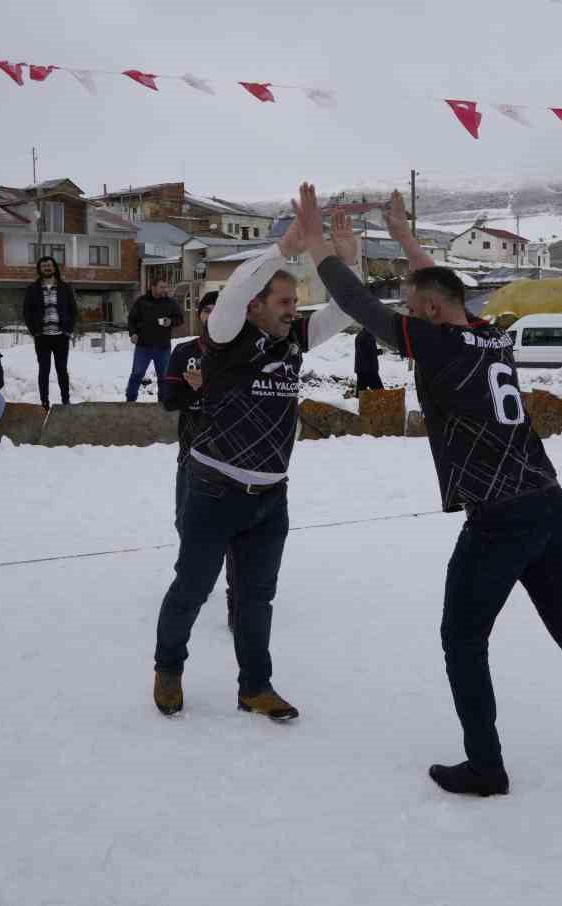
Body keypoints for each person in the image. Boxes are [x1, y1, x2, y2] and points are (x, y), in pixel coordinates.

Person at [306, 188, 562, 806]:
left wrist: (319, 249)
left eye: (414, 308)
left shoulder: (434, 341)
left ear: (431, 311)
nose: (407, 316)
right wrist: (405, 236)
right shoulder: (491, 336)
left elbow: (357, 303)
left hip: (499, 519)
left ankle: (486, 766)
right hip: (550, 504)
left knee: (461, 638)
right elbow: (439, 287)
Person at [152, 187, 357, 723]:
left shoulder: (292, 342)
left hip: (270, 498)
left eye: (295, 303)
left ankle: (255, 687)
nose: (294, 311)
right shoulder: (226, 337)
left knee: (256, 601)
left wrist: (342, 260)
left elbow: (345, 308)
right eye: (285, 303)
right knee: (192, 589)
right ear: (257, 307)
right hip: (213, 491)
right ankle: (169, 667)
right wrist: (280, 250)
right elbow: (235, 288)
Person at [158, 290, 240, 632]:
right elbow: (168, 400)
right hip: (191, 453)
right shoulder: (185, 352)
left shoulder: (241, 352)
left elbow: (242, 401)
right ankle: (193, 577)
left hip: (234, 456)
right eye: (206, 309)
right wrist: (198, 390)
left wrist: (210, 385)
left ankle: (237, 591)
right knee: (184, 521)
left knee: (236, 530)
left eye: (218, 308)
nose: (211, 314)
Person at [23, 256, 76, 409]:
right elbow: (26, 312)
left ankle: (66, 400)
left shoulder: (65, 288)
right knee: (44, 370)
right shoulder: (32, 289)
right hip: (42, 337)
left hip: (61, 336)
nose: (47, 268)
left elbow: (73, 310)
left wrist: (68, 330)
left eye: (50, 265)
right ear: (39, 269)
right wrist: (34, 331)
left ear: (55, 268)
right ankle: (44, 402)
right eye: (44, 265)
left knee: (62, 370)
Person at [125, 279, 183, 402]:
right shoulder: (141, 302)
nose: (165, 290)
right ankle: (130, 402)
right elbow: (131, 319)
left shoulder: (170, 302)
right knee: (136, 374)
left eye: (165, 287)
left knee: (164, 378)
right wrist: (133, 333)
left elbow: (179, 319)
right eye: (162, 287)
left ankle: (162, 404)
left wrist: (170, 321)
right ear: (153, 287)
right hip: (143, 346)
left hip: (163, 347)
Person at [354, 327, 384, 391]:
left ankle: (359, 399)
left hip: (363, 369)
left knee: (361, 392)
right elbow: (368, 352)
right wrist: (379, 351)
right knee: (379, 392)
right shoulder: (367, 336)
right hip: (368, 370)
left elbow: (367, 351)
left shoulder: (363, 335)